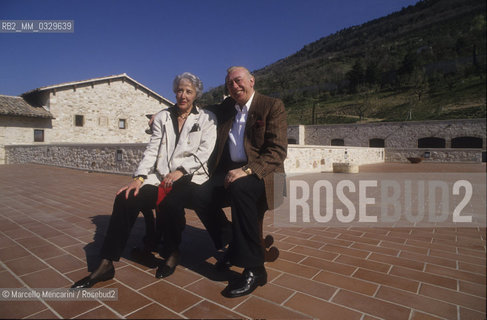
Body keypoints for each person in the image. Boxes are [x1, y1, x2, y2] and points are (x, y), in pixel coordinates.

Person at [72, 72, 217, 288]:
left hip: (189, 176)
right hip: (159, 177)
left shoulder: (206, 118)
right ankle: (106, 263)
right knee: (126, 198)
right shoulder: (162, 117)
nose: (183, 95)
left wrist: (180, 171)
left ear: (196, 94)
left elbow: (205, 151)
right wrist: (139, 178)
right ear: (174, 92)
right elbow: (152, 150)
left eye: (189, 91)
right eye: (180, 90)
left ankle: (172, 252)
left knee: (171, 203)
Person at [196, 66, 287, 298]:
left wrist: (246, 170)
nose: (235, 87)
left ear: (252, 81)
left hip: (265, 176)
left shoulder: (272, 105)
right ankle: (232, 240)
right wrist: (164, 113)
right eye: (230, 84)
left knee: (239, 188)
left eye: (238, 81)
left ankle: (255, 269)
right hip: (234, 174)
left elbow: (277, 151)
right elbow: (195, 109)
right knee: (197, 193)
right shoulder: (228, 107)